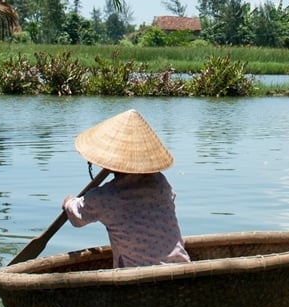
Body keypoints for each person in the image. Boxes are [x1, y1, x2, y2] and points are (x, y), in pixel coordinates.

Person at [61, 109, 191, 268]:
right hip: (182, 268)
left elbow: (76, 217)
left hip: (137, 278)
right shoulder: (161, 184)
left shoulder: (104, 197)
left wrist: (68, 202)